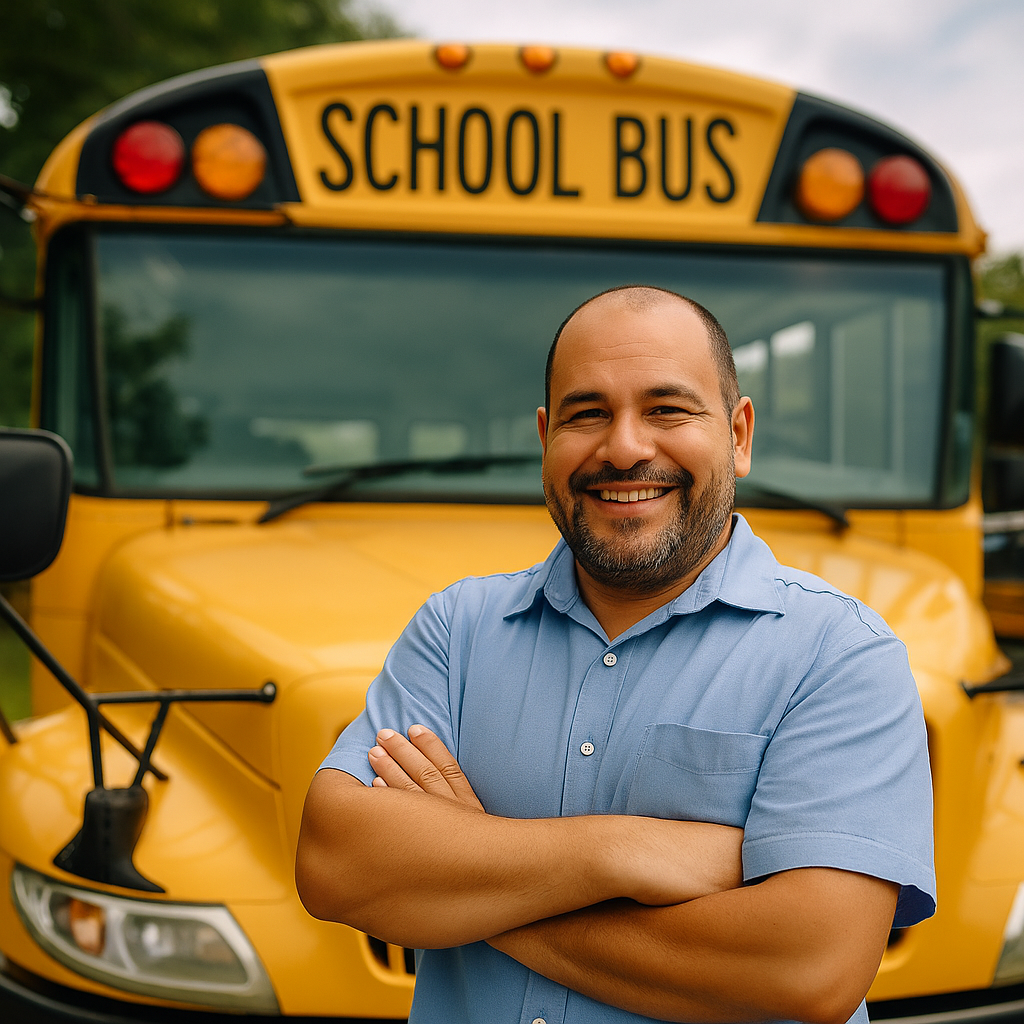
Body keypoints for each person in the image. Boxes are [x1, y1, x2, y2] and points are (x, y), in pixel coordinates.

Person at [295, 285, 935, 1024]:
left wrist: (464, 887)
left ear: (739, 434)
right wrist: (626, 851)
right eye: (587, 413)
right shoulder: (456, 629)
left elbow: (811, 967)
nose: (625, 447)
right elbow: (337, 866)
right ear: (545, 438)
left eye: (666, 409)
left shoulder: (841, 653)